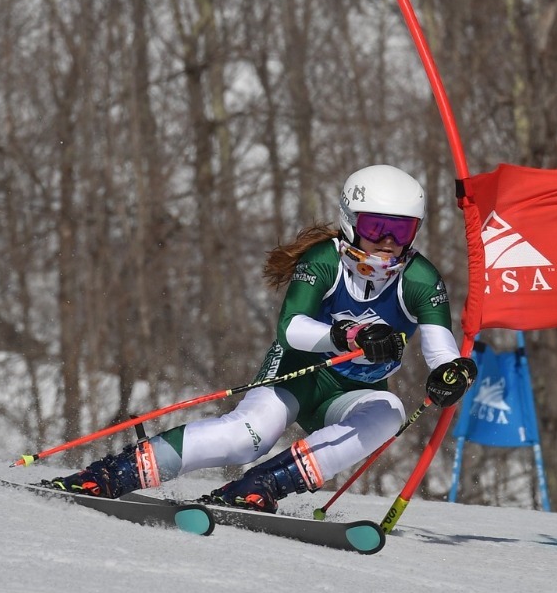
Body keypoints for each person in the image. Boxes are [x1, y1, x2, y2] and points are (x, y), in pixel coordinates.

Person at [48, 164, 477, 512]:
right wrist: (349, 334)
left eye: (401, 231)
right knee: (248, 437)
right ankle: (111, 474)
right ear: (350, 222)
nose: (387, 242)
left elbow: (439, 345)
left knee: (388, 413)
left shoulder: (420, 278)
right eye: (377, 226)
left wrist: (450, 372)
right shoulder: (323, 261)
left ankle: (262, 486)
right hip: (298, 371)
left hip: (355, 390)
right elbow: (290, 329)